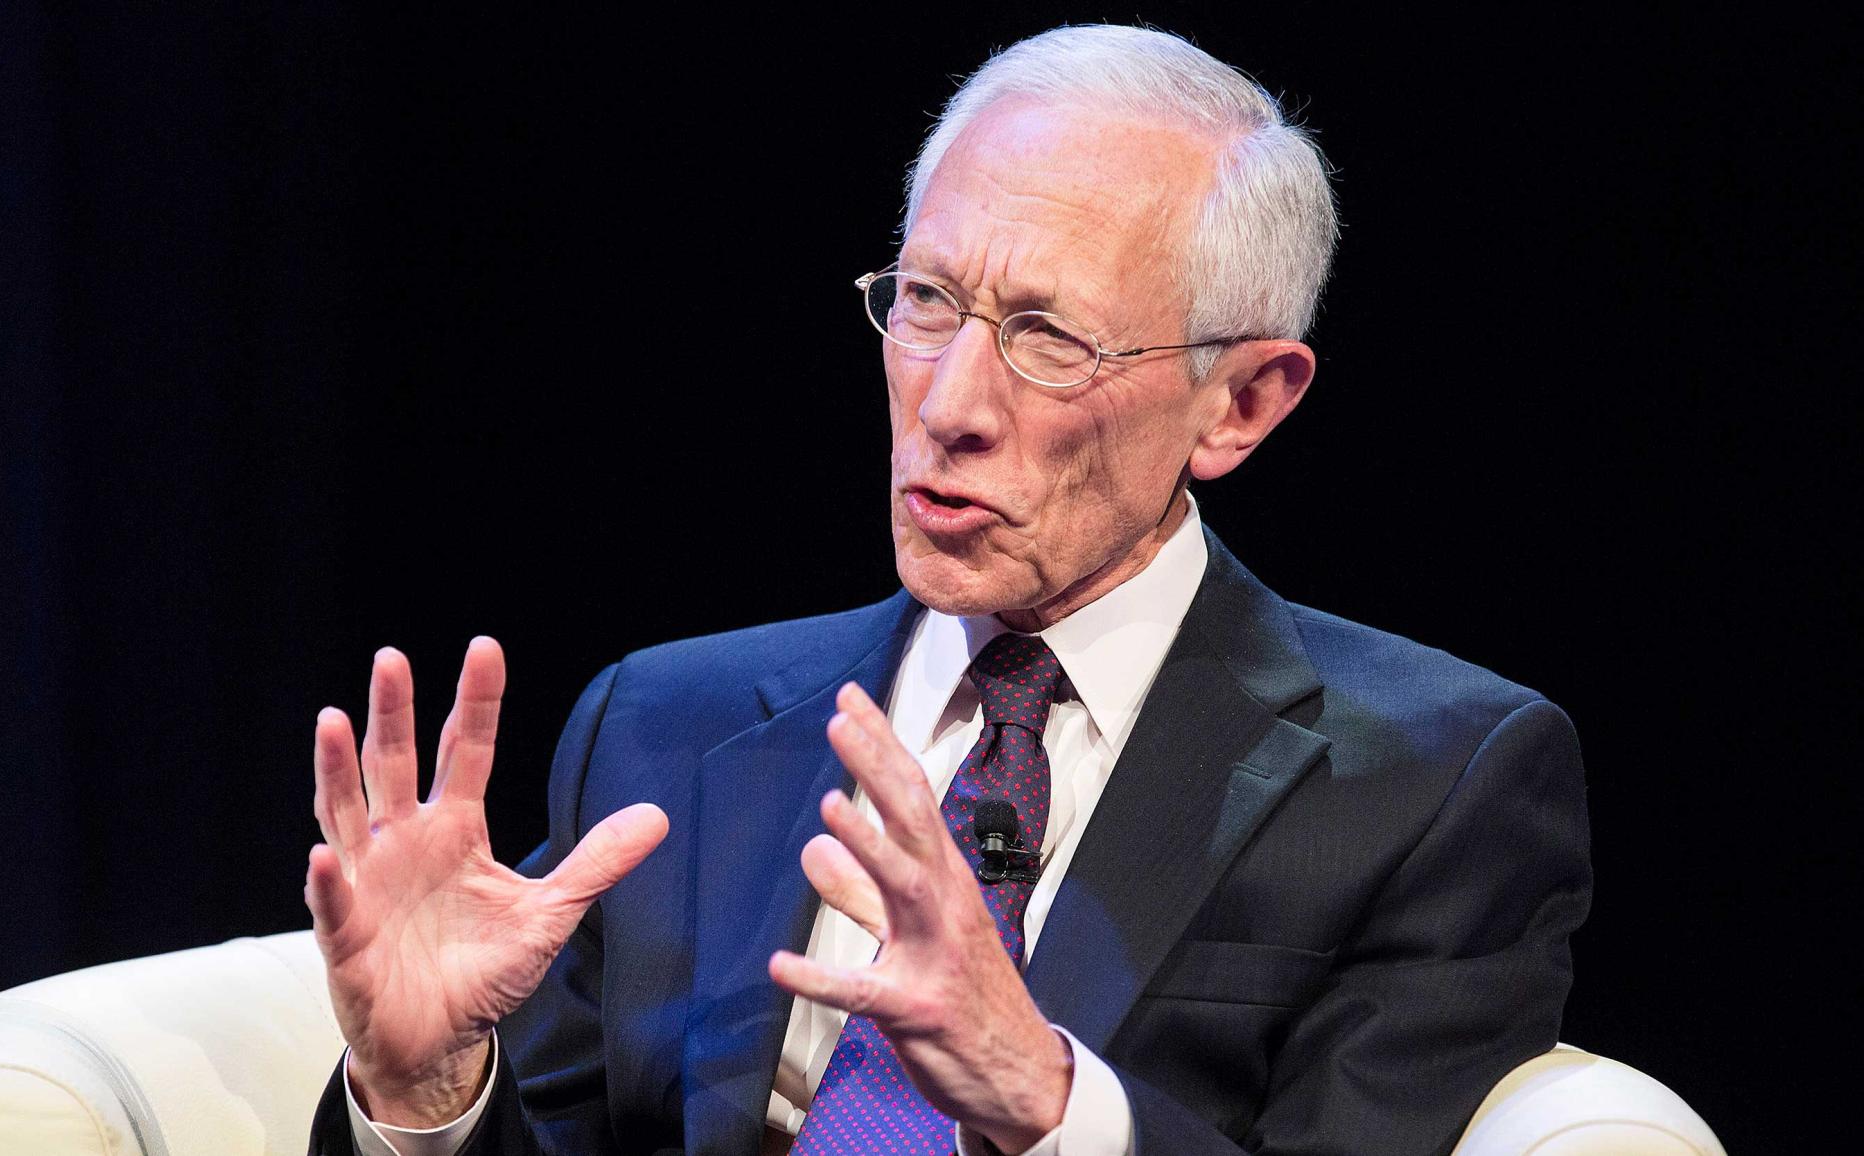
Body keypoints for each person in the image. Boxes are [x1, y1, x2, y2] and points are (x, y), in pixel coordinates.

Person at [303, 24, 1591, 1156]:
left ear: (1240, 403)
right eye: (926, 302)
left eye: (1050, 339)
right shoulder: (664, 726)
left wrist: (1044, 1099)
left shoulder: (1437, 785)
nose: (951, 404)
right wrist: (428, 1093)